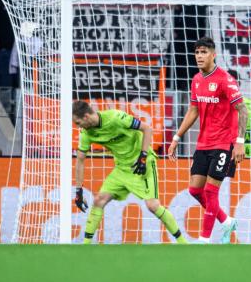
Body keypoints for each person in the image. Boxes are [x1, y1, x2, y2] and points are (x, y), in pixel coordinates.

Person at [73, 100, 188, 244]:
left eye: (77, 122)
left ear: (86, 117)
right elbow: (80, 161)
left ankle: (183, 242)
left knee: (153, 205)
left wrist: (143, 156)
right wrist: (78, 191)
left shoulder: (115, 117)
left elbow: (147, 129)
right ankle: (85, 245)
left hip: (142, 163)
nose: (78, 126)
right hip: (122, 168)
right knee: (99, 199)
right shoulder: (86, 134)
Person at [168, 37, 248, 244]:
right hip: (203, 143)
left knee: (211, 192)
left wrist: (239, 141)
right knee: (195, 190)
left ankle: (204, 240)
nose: (199, 56)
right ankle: (226, 220)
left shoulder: (225, 80)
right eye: (197, 53)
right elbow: (193, 110)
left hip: (224, 144)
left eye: (204, 52)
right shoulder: (196, 80)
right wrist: (177, 137)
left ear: (213, 55)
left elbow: (242, 109)